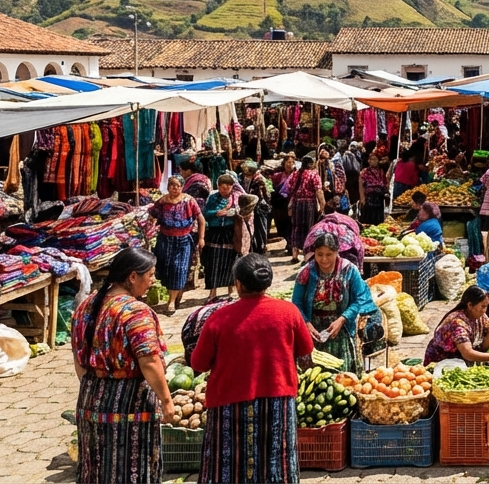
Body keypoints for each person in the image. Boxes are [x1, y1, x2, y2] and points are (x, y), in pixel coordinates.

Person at [192, 254, 312, 483]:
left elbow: (198, 363)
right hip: (277, 401)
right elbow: (305, 350)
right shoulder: (289, 312)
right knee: (276, 463)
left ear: (238, 283)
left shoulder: (219, 318)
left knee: (228, 468)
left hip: (228, 403)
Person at [71, 248, 170, 484]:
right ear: (133, 276)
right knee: (131, 469)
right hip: (129, 405)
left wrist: (96, 388)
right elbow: (150, 360)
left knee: (96, 470)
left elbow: (78, 359)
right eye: (151, 275)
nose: (153, 281)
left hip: (90, 399)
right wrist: (166, 401)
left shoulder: (86, 306)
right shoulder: (135, 312)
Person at [291, 230, 377, 374]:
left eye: (329, 254)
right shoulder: (306, 272)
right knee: (314, 376)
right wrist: (306, 323)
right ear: (314, 253)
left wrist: (343, 319)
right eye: (319, 254)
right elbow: (296, 303)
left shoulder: (349, 270)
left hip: (340, 327)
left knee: (342, 374)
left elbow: (360, 298)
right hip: (313, 329)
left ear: (337, 252)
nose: (324, 259)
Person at [148, 176, 205, 315]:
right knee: (166, 269)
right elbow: (152, 216)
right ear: (168, 187)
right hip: (165, 239)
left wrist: (202, 238)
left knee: (179, 268)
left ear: (182, 187)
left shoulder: (189, 201)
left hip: (183, 240)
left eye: (178, 185)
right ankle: (175, 293)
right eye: (172, 185)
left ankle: (171, 301)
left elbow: (201, 220)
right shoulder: (162, 201)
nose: (174, 188)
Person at [424, 285, 489, 364]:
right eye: (483, 306)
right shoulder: (457, 323)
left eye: (486, 306)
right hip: (442, 361)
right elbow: (467, 353)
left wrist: (483, 352)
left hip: (459, 358)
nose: (484, 310)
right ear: (470, 305)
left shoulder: (478, 314)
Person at [201, 174, 241, 302]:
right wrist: (216, 213)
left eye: (227, 187)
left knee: (231, 260)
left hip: (230, 232)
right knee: (213, 261)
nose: (225, 190)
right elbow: (205, 213)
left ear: (231, 187)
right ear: (218, 187)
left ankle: (231, 290)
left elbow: (244, 212)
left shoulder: (236, 198)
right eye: (222, 188)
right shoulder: (213, 198)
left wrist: (235, 213)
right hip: (215, 232)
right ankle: (213, 292)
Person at [287, 155, 324, 263]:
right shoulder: (313, 174)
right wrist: (323, 205)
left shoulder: (295, 174)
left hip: (296, 203)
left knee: (296, 228)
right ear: (311, 164)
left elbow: (289, 189)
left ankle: (294, 255)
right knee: (309, 228)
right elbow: (319, 191)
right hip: (309, 203)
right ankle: (306, 256)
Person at [240, 162, 272, 254]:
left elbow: (259, 196)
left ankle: (261, 247)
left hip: (259, 206)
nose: (246, 175)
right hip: (254, 205)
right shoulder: (250, 178)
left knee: (260, 227)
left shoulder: (258, 180)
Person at [271, 154, 296, 255]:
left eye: (291, 162)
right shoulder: (278, 176)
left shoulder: (296, 175)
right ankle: (288, 242)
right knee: (282, 224)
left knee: (292, 224)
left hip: (292, 203)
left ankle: (291, 245)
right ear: (284, 163)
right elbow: (272, 185)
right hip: (281, 205)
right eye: (288, 162)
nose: (290, 165)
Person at [358, 154, 387, 226]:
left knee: (378, 217)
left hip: (379, 198)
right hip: (369, 198)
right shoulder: (365, 171)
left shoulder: (381, 171)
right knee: (368, 217)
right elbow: (361, 184)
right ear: (369, 161)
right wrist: (362, 198)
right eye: (372, 159)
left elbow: (385, 183)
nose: (374, 161)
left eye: (375, 159)